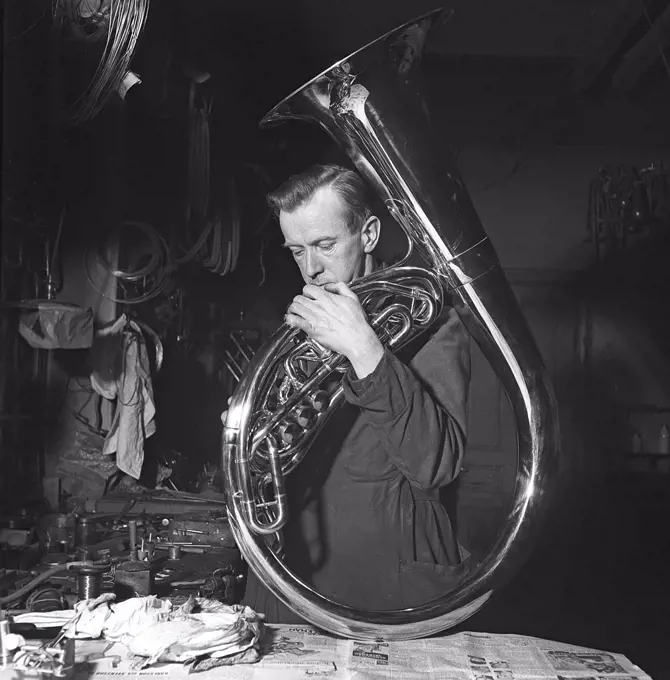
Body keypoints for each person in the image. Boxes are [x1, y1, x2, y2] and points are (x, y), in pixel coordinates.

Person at [237, 163, 471, 622]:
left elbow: (437, 464)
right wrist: (265, 433)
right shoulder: (301, 324)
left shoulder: (432, 322)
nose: (311, 269)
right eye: (296, 250)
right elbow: (265, 459)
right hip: (292, 574)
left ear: (367, 234)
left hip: (385, 581)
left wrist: (366, 350)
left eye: (325, 245)